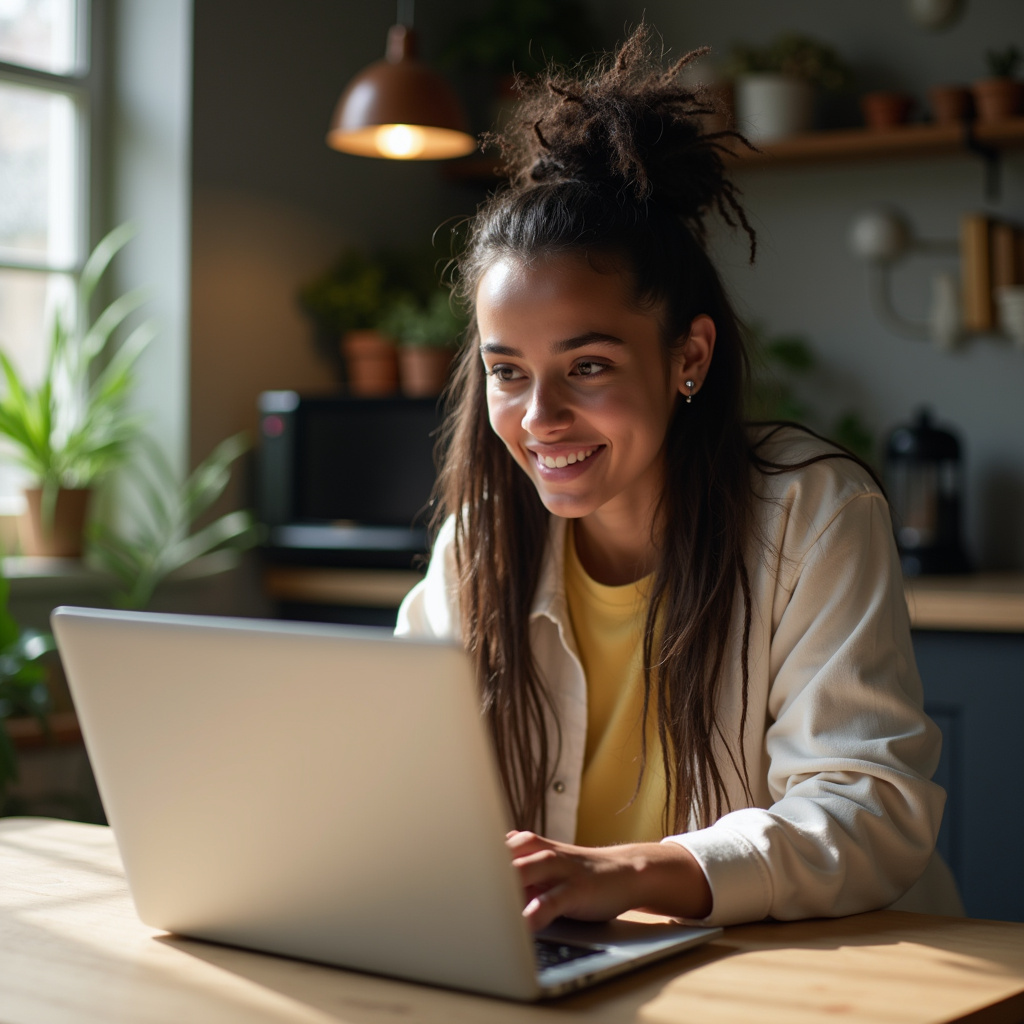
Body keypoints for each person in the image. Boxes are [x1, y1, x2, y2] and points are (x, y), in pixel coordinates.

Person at [395, 25, 963, 929]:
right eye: (508, 370)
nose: (538, 418)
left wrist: (628, 873)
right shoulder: (478, 546)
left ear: (686, 355)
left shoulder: (811, 514)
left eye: (587, 366)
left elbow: (868, 811)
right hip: (585, 967)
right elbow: (398, 781)